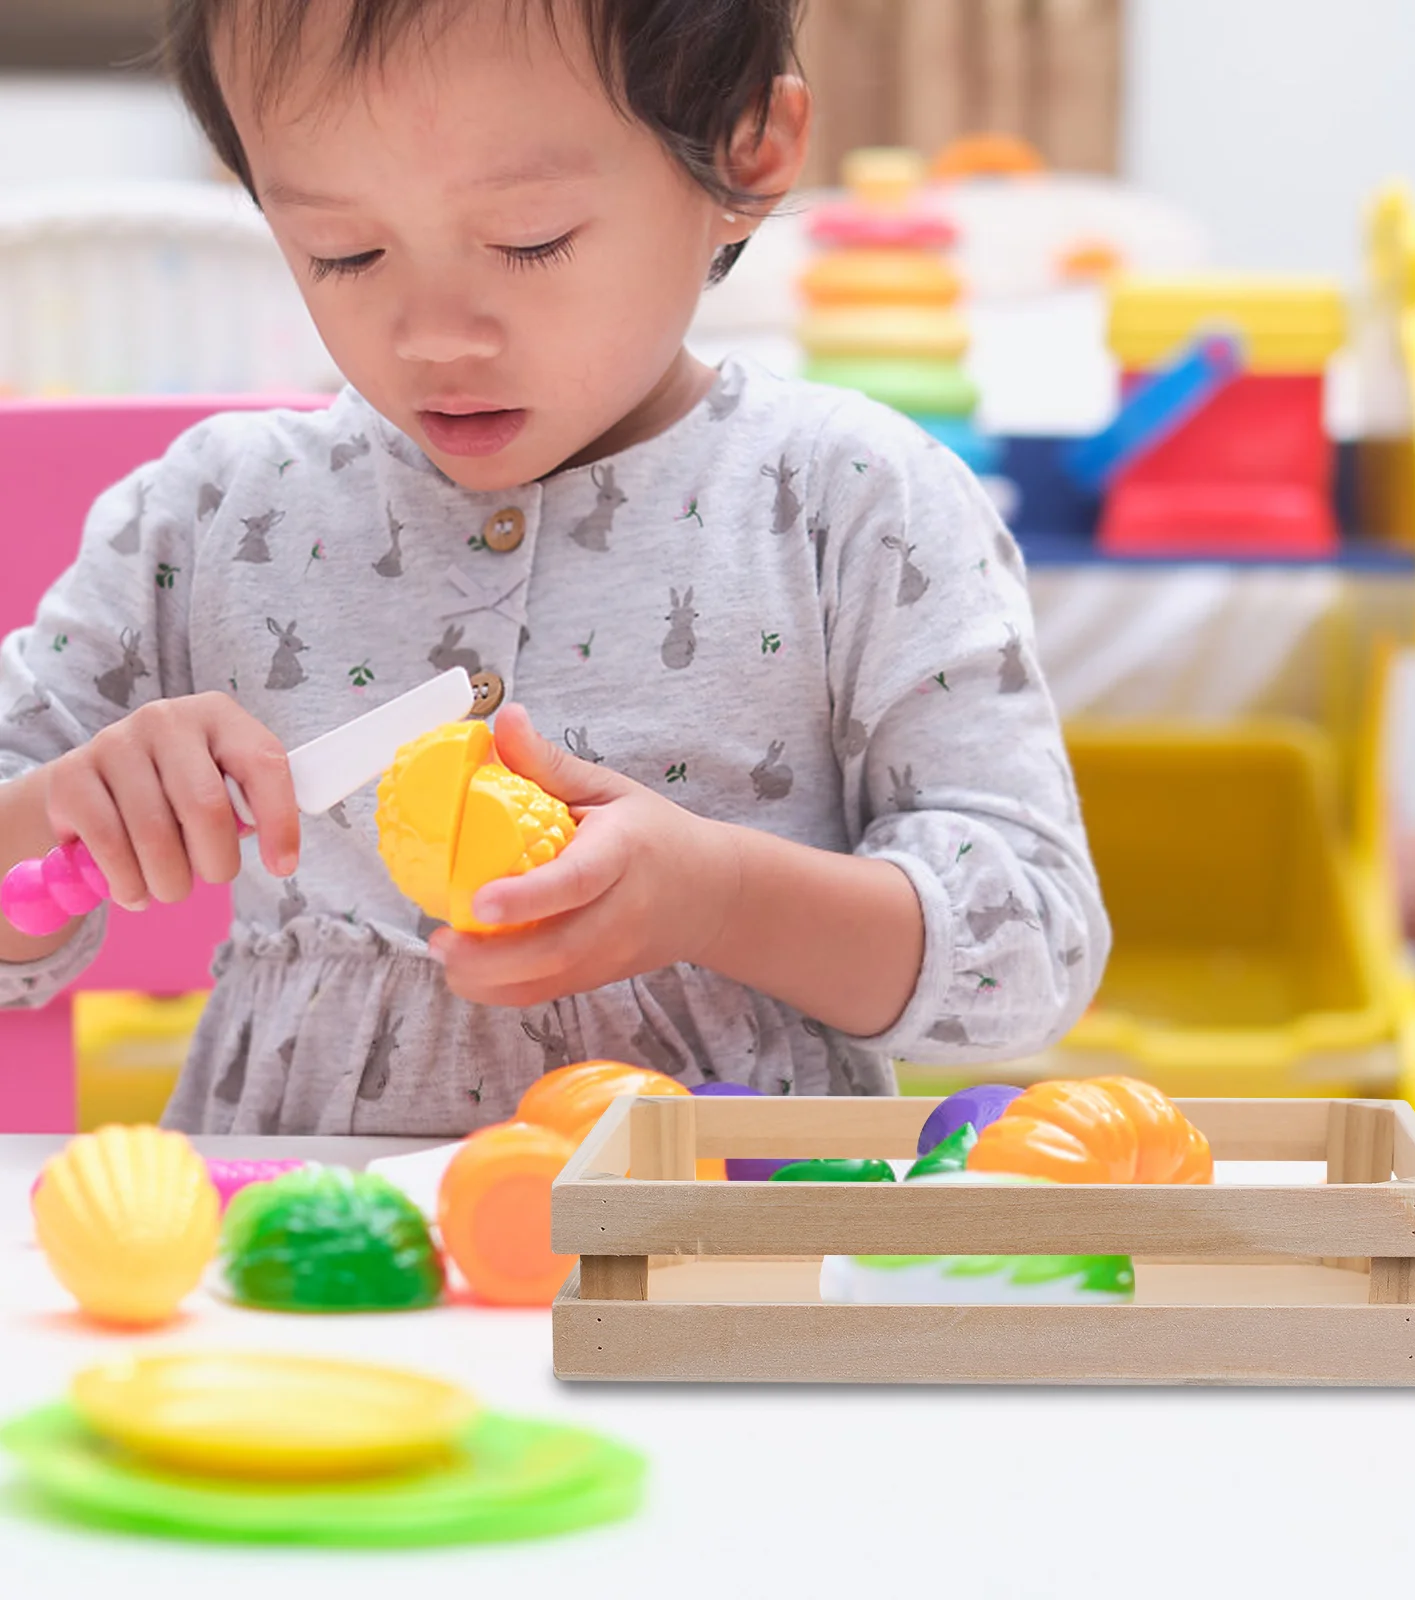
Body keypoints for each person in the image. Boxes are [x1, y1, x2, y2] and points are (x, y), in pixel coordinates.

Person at [0, 0, 1108, 1136]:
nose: (434, 334)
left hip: (705, 1268)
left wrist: (719, 901)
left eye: (530, 239)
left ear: (745, 151)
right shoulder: (213, 515)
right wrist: (60, 809)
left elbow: (1027, 953)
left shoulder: (852, 503)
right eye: (344, 251)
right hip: (311, 1276)